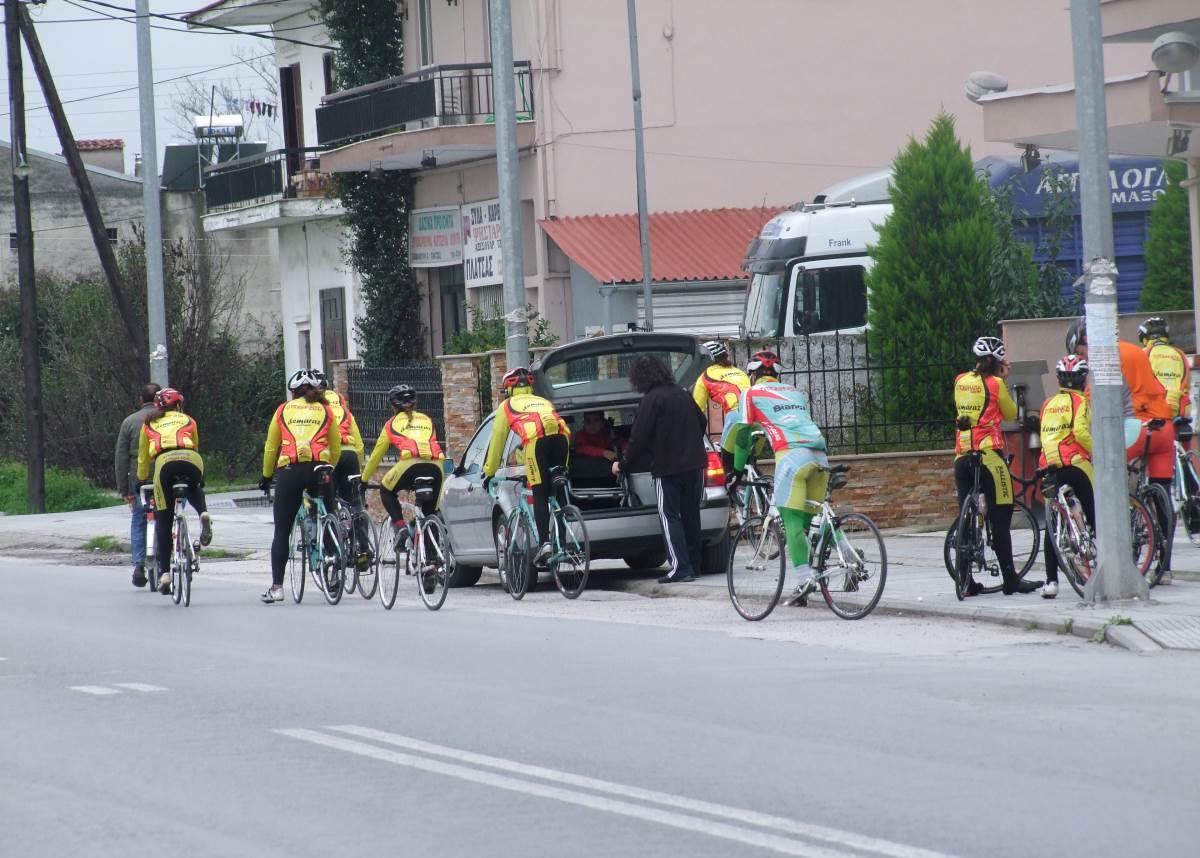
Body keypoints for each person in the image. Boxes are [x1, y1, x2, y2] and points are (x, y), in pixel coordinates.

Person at [1067, 316, 1175, 574]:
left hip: (1134, 429)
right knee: (1163, 495)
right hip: (1163, 429)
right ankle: (1165, 567)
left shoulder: (1104, 357)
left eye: (1079, 351)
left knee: (1107, 478)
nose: (1082, 357)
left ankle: (1123, 542)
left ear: (1086, 340)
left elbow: (1095, 402)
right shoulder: (1134, 350)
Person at [728, 351, 829, 605]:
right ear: (775, 375)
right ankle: (849, 556)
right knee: (814, 521)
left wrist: (738, 472)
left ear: (752, 375)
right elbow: (784, 423)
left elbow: (742, 435)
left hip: (792, 458)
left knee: (792, 522)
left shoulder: (750, 394)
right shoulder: (794, 392)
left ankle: (804, 581)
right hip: (820, 454)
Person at [952, 336, 1041, 596]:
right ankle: (1011, 580)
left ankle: (965, 582)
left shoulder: (960, 381)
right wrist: (1003, 380)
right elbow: (1011, 413)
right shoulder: (996, 384)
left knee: (964, 519)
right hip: (989, 455)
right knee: (1001, 517)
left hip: (961, 455)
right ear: (997, 363)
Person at [613, 354, 707, 584]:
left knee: (669, 516)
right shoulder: (683, 394)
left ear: (640, 378)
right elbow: (702, 422)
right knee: (691, 515)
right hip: (694, 465)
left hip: (667, 469)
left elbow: (638, 438)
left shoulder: (651, 400)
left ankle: (679, 568)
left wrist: (623, 465)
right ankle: (694, 565)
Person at [258, 368, 341, 604]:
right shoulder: (326, 409)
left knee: (282, 531)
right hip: (320, 469)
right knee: (328, 514)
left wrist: (266, 475)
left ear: (293, 393)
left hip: (290, 470)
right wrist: (330, 468)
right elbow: (335, 446)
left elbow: (271, 447)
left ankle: (276, 588)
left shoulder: (283, 410)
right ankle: (334, 567)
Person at [482, 367, 571, 565]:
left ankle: (545, 545)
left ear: (509, 389)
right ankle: (564, 544)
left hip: (537, 442)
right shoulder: (543, 401)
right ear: (530, 386)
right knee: (557, 486)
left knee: (538, 491)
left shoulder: (507, 406)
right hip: (562, 439)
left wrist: (489, 472)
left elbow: (497, 441)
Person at [136, 388, 212, 595]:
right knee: (195, 485)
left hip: (165, 463)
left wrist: (141, 479)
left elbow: (143, 457)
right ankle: (202, 513)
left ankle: (165, 574)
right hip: (191, 459)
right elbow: (195, 445)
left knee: (164, 518)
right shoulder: (189, 420)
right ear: (178, 405)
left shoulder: (148, 423)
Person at [1037, 356, 1094, 600]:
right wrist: (1097, 449)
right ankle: (1104, 564)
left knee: (1053, 523)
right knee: (1095, 508)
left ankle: (1051, 582)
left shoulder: (1047, 403)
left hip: (1047, 467)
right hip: (1074, 464)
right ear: (1083, 380)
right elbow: (1080, 432)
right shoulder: (1081, 400)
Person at [362, 384, 445, 548]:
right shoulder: (427, 419)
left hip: (410, 465)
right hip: (436, 466)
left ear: (393, 405)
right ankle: (432, 564)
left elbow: (376, 456)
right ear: (414, 403)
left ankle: (400, 527)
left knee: (386, 488)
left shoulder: (391, 424)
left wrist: (364, 479)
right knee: (429, 514)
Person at [320, 376, 370, 569]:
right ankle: (364, 549)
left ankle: (333, 555)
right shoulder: (345, 412)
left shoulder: (316, 410)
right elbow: (359, 444)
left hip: (328, 457)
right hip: (350, 455)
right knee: (355, 503)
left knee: (327, 506)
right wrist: (358, 470)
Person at [115, 383, 160, 588]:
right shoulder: (168, 418)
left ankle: (139, 565)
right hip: (166, 476)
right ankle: (166, 560)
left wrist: (124, 490)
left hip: (140, 480)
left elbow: (121, 458)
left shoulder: (129, 422)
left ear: (141, 400)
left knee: (139, 520)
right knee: (167, 516)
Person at [692, 340, 751, 474]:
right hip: (756, 415)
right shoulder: (739, 372)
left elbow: (696, 411)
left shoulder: (705, 376)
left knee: (727, 463)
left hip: (736, 416)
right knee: (747, 459)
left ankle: (733, 487)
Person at [1138, 316, 1191, 419]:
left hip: (1153, 411)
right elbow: (1187, 385)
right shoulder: (1180, 354)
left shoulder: (1143, 354)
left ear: (1144, 340)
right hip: (1179, 410)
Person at [571, 410, 623, 480]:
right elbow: (581, 448)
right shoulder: (580, 435)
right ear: (584, 422)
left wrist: (626, 450)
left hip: (610, 474)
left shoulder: (608, 433)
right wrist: (603, 452)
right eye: (588, 421)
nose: (592, 424)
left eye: (596, 420)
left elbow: (620, 442)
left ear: (602, 422)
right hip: (586, 474)